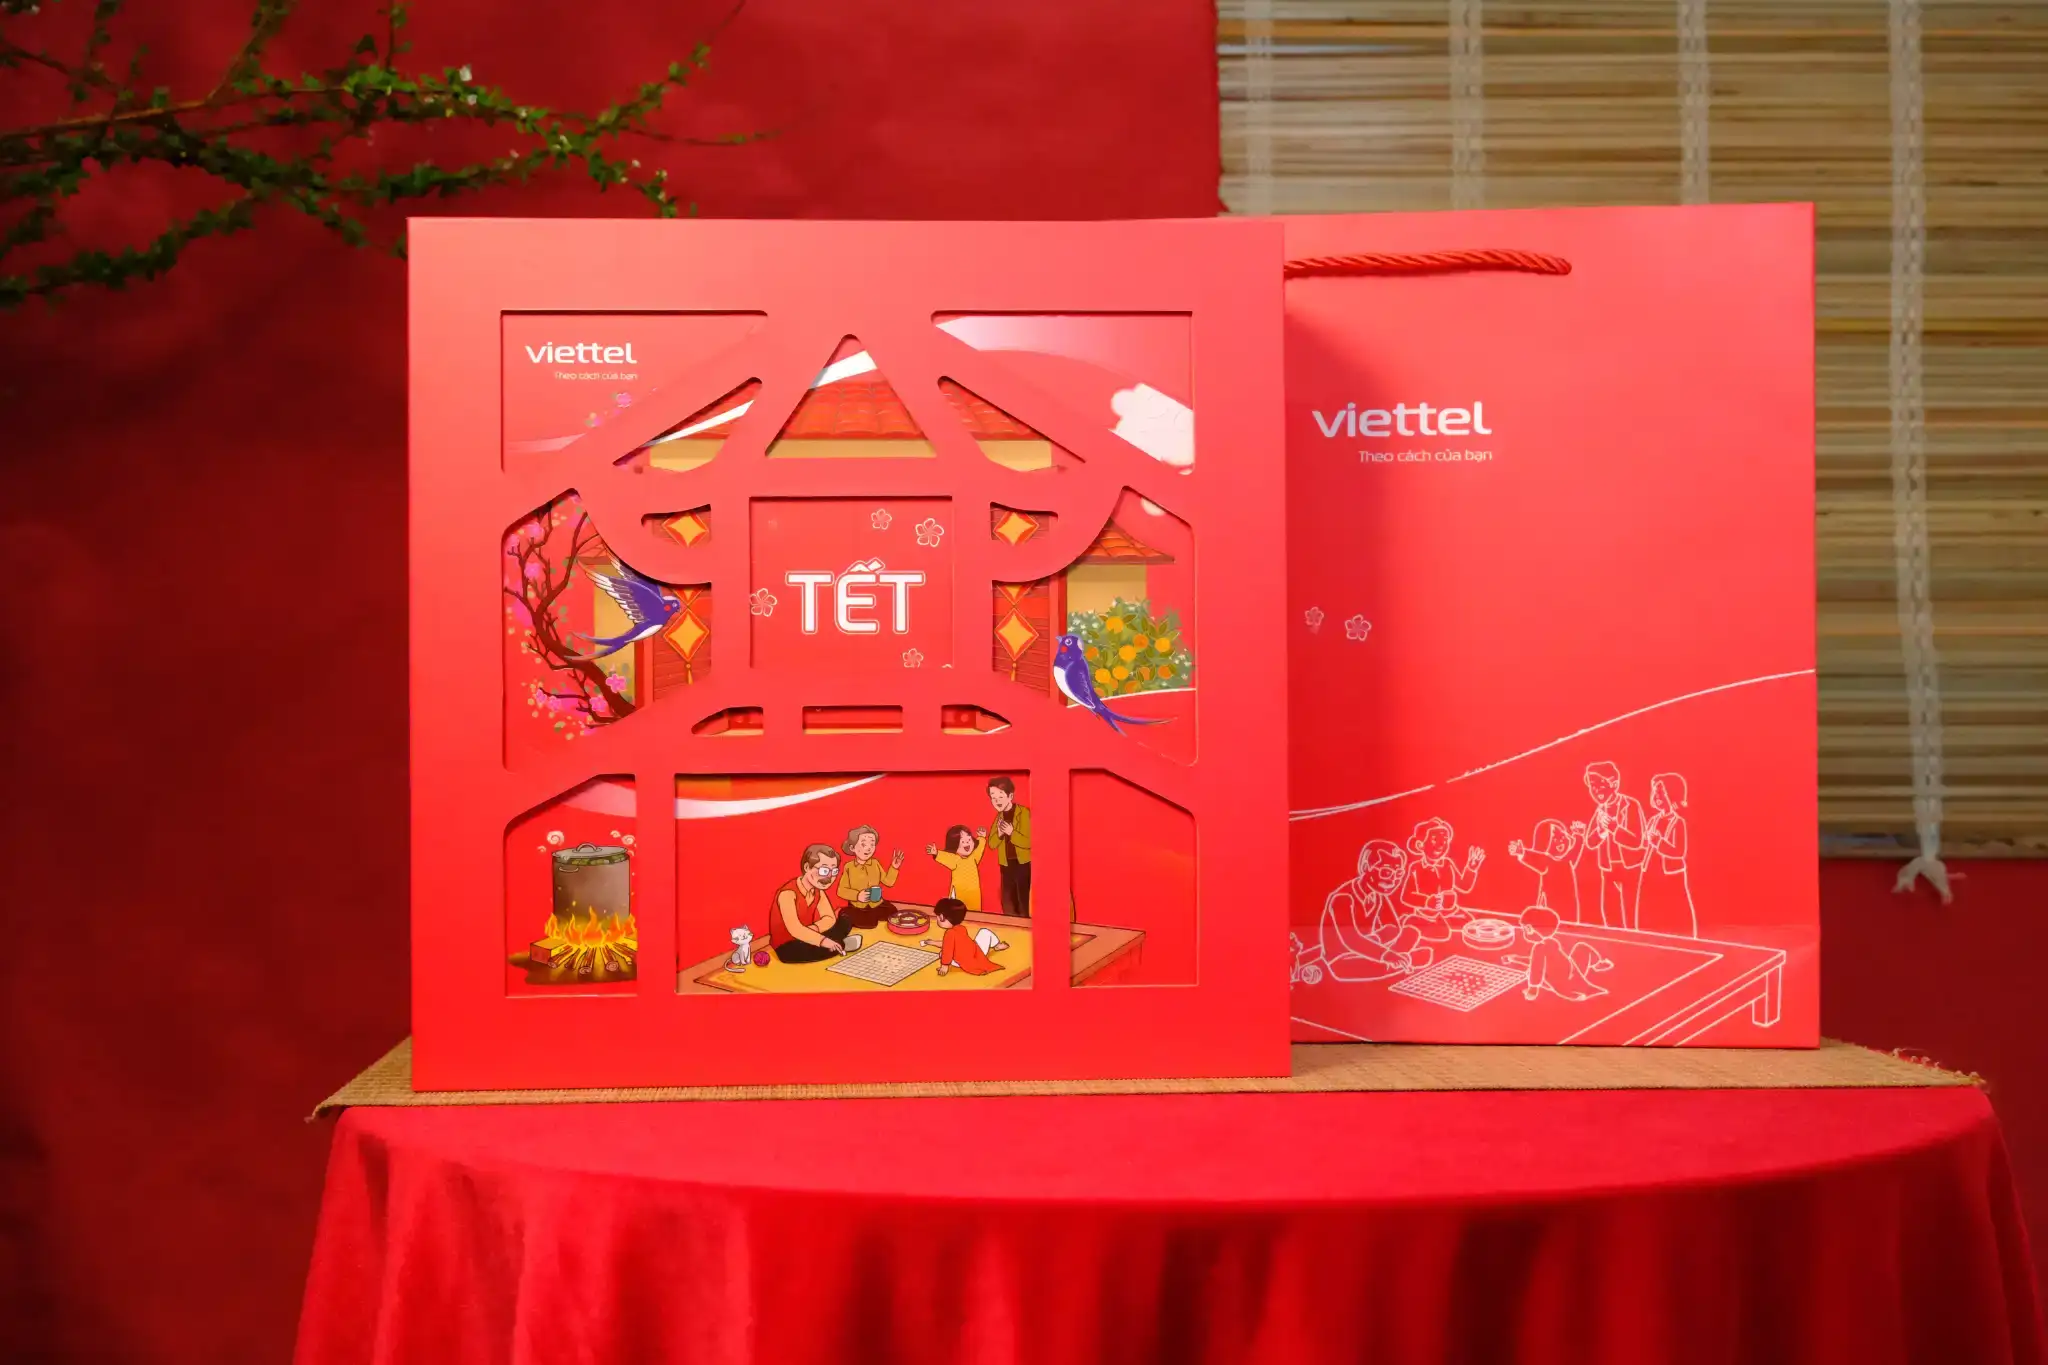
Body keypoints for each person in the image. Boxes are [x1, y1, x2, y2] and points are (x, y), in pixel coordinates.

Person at [1317, 839, 1433, 981]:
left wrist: (1378, 940)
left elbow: (1393, 927)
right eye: (1386, 872)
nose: (1393, 880)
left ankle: (1398, 962)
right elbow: (1351, 940)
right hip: (1342, 958)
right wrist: (1387, 954)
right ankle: (1403, 962)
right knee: (1367, 966)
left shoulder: (1378, 895)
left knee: (1411, 933)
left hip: (1370, 947)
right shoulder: (1343, 898)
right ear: (1366, 867)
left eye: (1398, 874)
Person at [1574, 761, 1645, 929]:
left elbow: (1636, 841)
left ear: (1614, 784)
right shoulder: (1600, 810)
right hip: (1608, 868)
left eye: (1600, 785)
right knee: (1610, 912)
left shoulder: (1630, 805)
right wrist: (1600, 831)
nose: (1596, 790)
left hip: (1630, 867)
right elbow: (1590, 842)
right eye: (1592, 787)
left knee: (1631, 911)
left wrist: (1614, 828)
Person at [1634, 773, 1698, 936]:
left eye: (1661, 792)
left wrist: (1658, 842)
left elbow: (1679, 851)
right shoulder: (1653, 820)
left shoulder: (1678, 822)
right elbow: (1644, 844)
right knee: (1649, 910)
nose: (1656, 796)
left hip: (1671, 875)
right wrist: (1646, 841)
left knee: (1674, 911)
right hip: (1650, 871)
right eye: (1654, 792)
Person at [769, 843, 854, 964]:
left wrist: (814, 929)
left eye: (833, 871)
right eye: (824, 870)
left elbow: (829, 918)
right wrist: (823, 941)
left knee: (846, 919)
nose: (829, 877)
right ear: (807, 867)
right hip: (788, 943)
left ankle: (837, 944)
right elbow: (795, 929)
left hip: (809, 934)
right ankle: (840, 944)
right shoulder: (788, 893)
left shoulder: (817, 891)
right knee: (825, 948)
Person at [1400, 816, 1484, 937]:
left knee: (1470, 925)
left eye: (1445, 841)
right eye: (1435, 840)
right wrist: (1426, 901)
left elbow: (1464, 886)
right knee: (1437, 932)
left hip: (1451, 913)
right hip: (1425, 916)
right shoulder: (1416, 867)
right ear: (1420, 845)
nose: (1441, 844)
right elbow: (1406, 896)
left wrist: (1471, 868)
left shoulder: (1448, 864)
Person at [1512, 905, 1612, 1002]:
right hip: (1575, 973)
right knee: (1581, 947)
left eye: (1524, 929)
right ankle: (1598, 963)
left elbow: (1536, 968)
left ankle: (1574, 994)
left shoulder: (1539, 948)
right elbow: (1535, 962)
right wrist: (1516, 958)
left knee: (1530, 973)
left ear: (1529, 929)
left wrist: (1532, 990)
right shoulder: (1552, 942)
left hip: (1563, 984)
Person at [1507, 818, 1584, 921]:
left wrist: (1578, 835)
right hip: (1552, 913)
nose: (1561, 840)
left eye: (1563, 835)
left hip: (1569, 911)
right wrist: (1523, 852)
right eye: (1554, 839)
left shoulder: (1567, 862)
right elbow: (1537, 859)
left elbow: (1575, 851)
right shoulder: (1549, 862)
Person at [836, 824, 905, 929]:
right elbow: (841, 890)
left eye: (872, 845)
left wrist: (894, 867)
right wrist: (857, 895)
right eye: (864, 844)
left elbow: (888, 882)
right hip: (858, 906)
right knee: (867, 923)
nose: (869, 848)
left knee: (892, 911)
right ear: (852, 847)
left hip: (876, 904)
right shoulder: (849, 867)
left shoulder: (875, 863)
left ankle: (872, 916)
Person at [922, 897, 1009, 976]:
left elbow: (947, 950)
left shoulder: (949, 933)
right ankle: (997, 945)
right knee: (984, 932)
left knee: (942, 954)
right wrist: (931, 942)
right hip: (975, 952)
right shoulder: (961, 928)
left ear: (941, 917)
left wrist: (944, 966)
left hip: (968, 961)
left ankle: (997, 946)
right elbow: (947, 944)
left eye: (937, 917)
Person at [986, 776, 1032, 917]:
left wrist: (1012, 833)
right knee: (1008, 902)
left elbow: (1030, 842)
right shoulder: (999, 817)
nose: (997, 801)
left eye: (1000, 796)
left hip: (1023, 864)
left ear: (1010, 796)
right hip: (1006, 865)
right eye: (993, 798)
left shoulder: (1024, 813)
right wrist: (1000, 834)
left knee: (1024, 902)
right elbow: (992, 844)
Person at [927, 823, 988, 911]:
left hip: (974, 895)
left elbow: (980, 848)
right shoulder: (955, 860)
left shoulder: (973, 858)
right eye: (962, 842)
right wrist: (936, 853)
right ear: (954, 846)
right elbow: (946, 857)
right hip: (959, 896)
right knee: (957, 912)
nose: (967, 843)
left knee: (975, 912)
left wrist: (982, 837)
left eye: (969, 840)